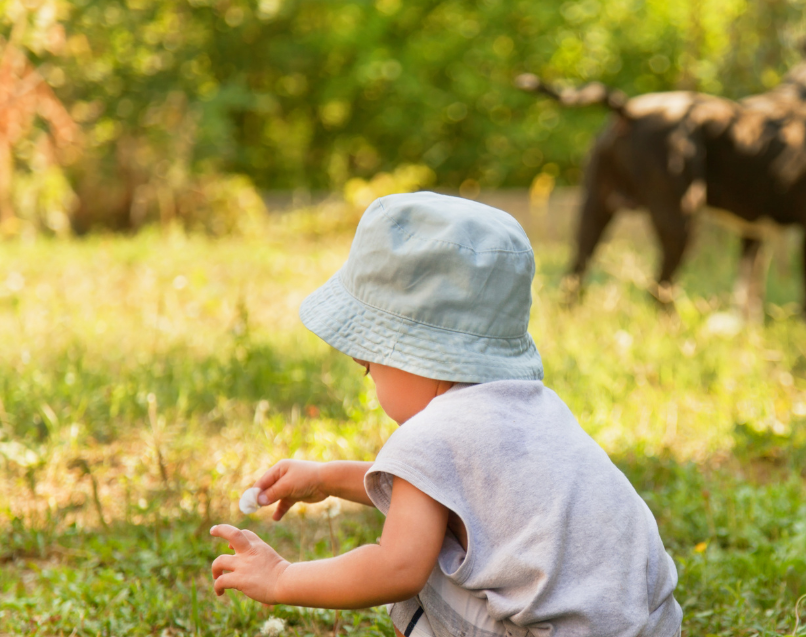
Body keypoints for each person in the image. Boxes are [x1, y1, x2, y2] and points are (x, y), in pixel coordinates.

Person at [208, 192, 682, 637]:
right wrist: (327, 479)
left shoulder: (431, 434)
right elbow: (446, 491)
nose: (365, 375)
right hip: (650, 624)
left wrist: (282, 577)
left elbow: (397, 567)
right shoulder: (535, 406)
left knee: (422, 560)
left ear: (414, 355)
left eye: (368, 366)